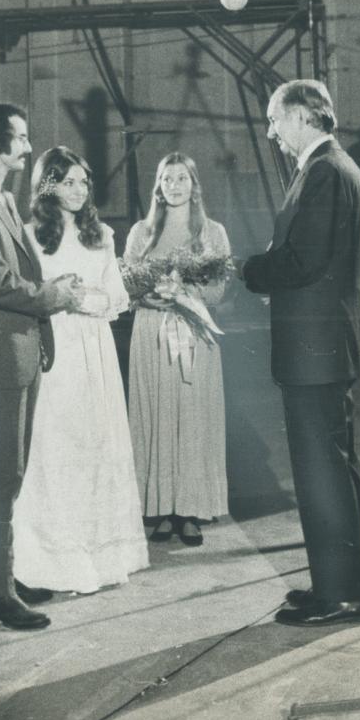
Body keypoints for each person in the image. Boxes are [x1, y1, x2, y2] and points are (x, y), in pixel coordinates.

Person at [0, 102, 87, 631]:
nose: (28, 148)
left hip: (18, 355)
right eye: (21, 139)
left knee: (11, 473)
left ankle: (2, 575)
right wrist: (56, 297)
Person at [240, 80, 360, 627]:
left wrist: (250, 270)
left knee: (321, 473)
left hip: (315, 349)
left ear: (300, 117)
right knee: (328, 470)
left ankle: (341, 596)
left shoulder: (324, 173)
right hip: (321, 344)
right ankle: (336, 585)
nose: (271, 131)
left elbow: (303, 260)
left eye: (275, 120)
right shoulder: (336, 170)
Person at [12, 147, 149, 593]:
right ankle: (54, 560)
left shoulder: (102, 235)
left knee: (99, 445)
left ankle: (103, 555)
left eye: (83, 182)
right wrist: (69, 299)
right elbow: (32, 293)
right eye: (67, 182)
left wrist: (93, 299)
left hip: (96, 350)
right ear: (47, 186)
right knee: (57, 448)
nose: (77, 190)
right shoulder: (32, 236)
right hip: (58, 350)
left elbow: (116, 295)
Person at [124, 152, 231, 545]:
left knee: (191, 416)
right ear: (158, 186)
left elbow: (219, 289)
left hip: (193, 332)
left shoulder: (212, 232)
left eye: (181, 178)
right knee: (155, 414)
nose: (173, 185)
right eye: (166, 179)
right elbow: (128, 283)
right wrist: (151, 297)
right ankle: (160, 508)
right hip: (151, 335)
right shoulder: (141, 232)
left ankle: (190, 510)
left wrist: (182, 294)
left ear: (194, 185)